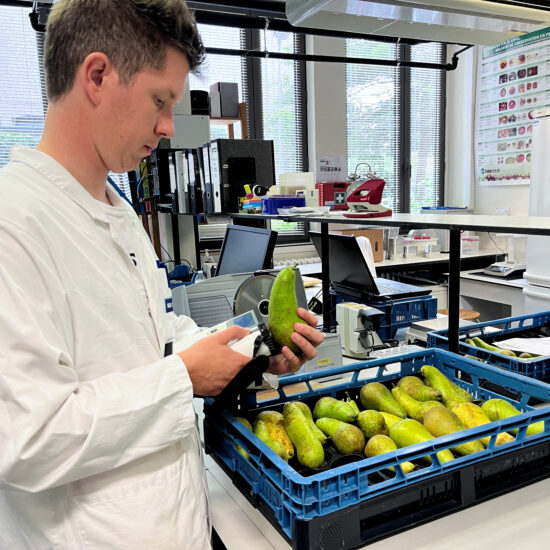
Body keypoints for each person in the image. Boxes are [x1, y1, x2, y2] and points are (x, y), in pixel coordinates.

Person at [0, 1, 323, 548]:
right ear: (97, 75)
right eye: (159, 99)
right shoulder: (15, 223)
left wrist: (253, 351)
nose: (168, 126)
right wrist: (183, 379)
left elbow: (156, 336)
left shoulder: (115, 207)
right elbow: (26, 439)